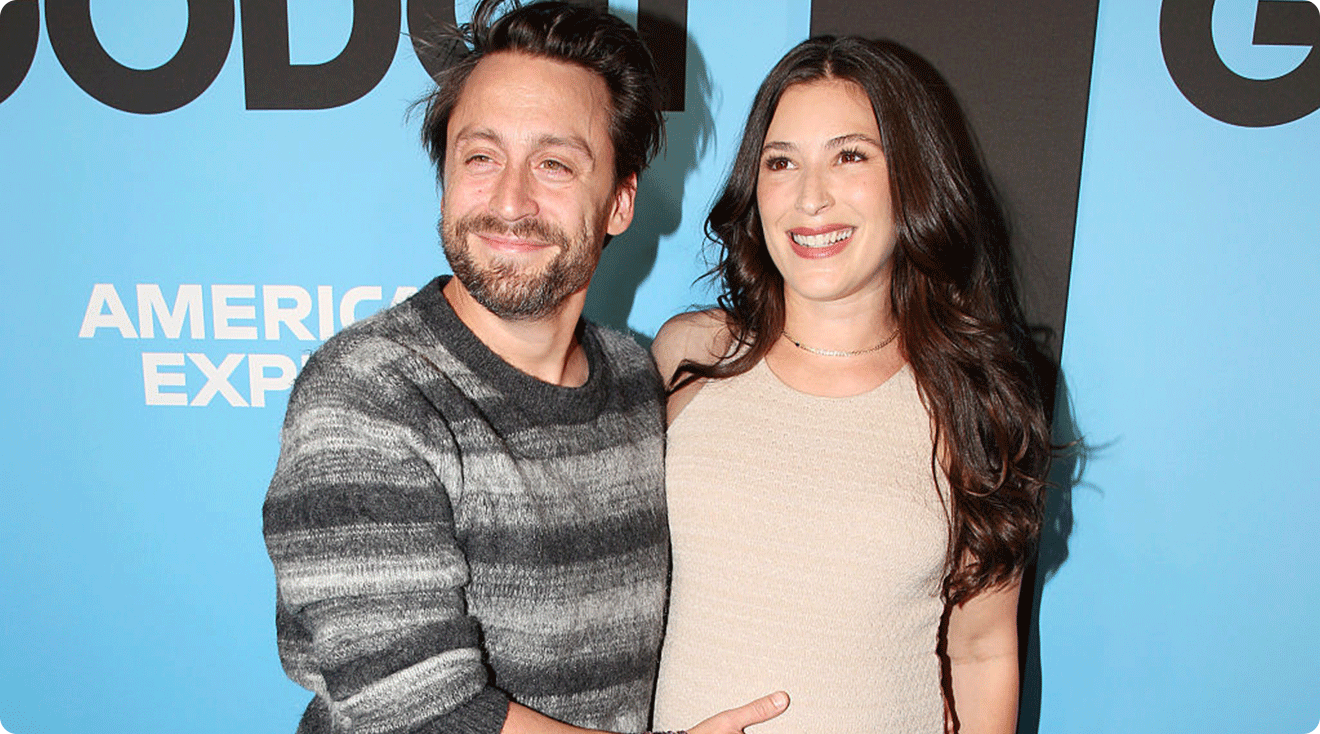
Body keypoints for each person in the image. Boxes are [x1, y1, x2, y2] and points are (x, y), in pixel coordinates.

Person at [263, 2, 785, 733]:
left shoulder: (633, 377)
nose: (510, 202)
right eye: (481, 157)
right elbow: (420, 715)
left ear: (621, 202)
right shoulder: (367, 393)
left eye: (554, 164)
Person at [649, 37, 1051, 734]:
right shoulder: (691, 356)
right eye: (781, 162)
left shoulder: (970, 398)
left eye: (851, 156)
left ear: (914, 178)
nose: (811, 197)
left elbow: (983, 651)